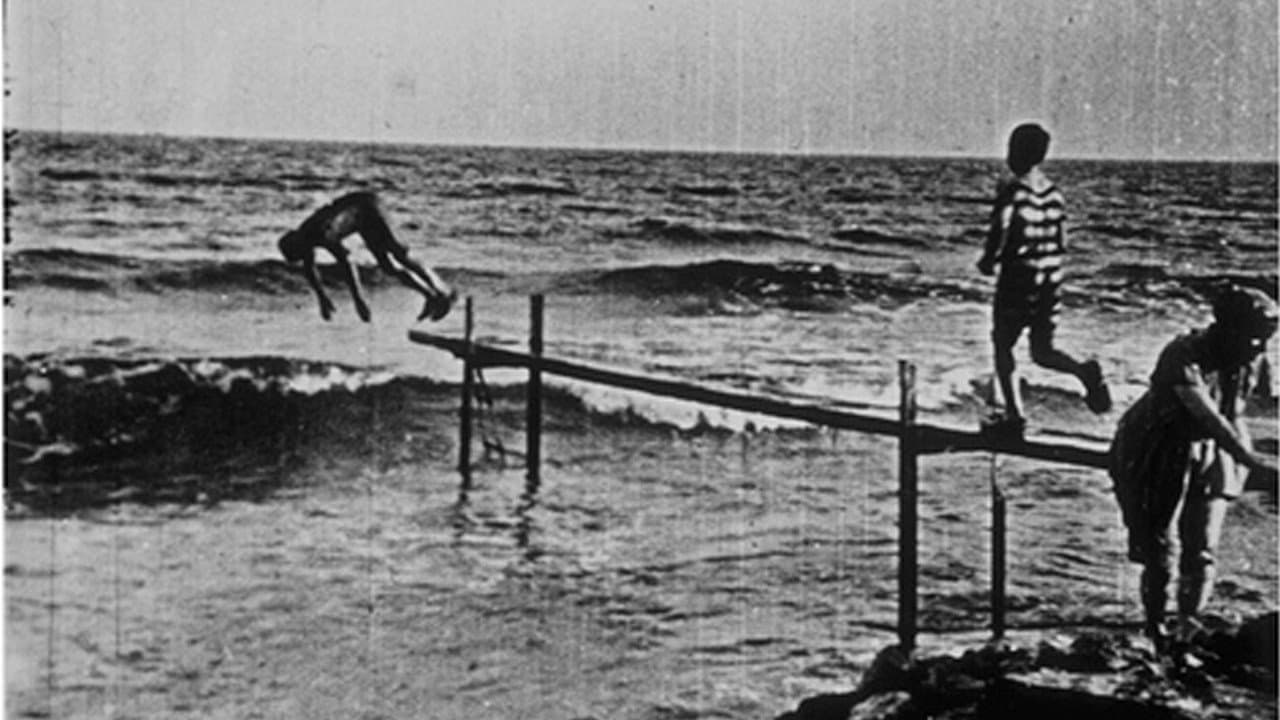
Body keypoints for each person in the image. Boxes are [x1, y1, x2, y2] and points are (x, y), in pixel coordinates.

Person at [1109, 284, 1279, 658]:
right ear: (1228, 328)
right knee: (1161, 548)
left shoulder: (1251, 355)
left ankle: (1187, 628)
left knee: (1202, 549)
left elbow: (1237, 413)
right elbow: (1205, 414)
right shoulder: (1182, 353)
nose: (1260, 348)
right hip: (1159, 444)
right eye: (1254, 338)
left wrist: (1251, 458)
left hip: (1214, 448)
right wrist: (1253, 463)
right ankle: (1155, 628)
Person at [977, 122, 1110, 434]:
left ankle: (1014, 416)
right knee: (1042, 351)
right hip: (1050, 280)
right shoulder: (1054, 194)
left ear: (1018, 153)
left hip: (1018, 280)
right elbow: (1062, 242)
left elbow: (1002, 227)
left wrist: (988, 259)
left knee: (1003, 345)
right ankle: (1082, 370)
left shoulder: (1012, 190)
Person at [278, 191, 455, 322]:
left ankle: (443, 291)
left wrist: (359, 301)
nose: (305, 258)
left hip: (369, 207)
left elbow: (347, 263)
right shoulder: (303, 238)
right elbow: (310, 269)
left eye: (301, 256)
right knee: (387, 267)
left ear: (298, 245)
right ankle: (430, 296)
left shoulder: (322, 233)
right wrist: (322, 299)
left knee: (400, 254)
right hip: (360, 220)